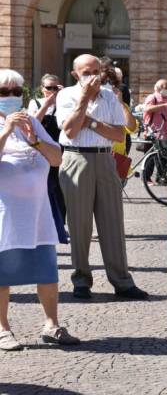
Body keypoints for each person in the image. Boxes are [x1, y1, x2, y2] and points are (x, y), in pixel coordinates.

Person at [56, 54, 148, 301]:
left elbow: (119, 135)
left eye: (97, 71)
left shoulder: (109, 96)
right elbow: (71, 130)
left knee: (113, 222)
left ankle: (121, 280)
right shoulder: (66, 95)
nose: (94, 76)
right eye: (87, 72)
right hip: (76, 159)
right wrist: (84, 99)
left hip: (105, 158)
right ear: (75, 74)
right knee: (79, 223)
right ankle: (81, 279)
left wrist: (92, 123)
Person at [0, 69, 80, 351]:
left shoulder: (33, 121)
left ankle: (51, 324)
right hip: (5, 214)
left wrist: (34, 139)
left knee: (47, 270)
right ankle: (3, 329)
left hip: (38, 212)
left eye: (15, 92)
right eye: (4, 92)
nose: (10, 97)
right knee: (2, 272)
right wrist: (7, 130)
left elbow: (57, 158)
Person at [28, 74, 68, 244]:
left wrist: (63, 98)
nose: (52, 91)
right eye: (48, 88)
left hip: (60, 150)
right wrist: (47, 104)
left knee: (61, 188)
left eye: (55, 88)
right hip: (40, 150)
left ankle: (60, 225)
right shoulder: (35, 103)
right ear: (42, 89)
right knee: (44, 187)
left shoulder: (64, 103)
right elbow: (33, 123)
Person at [143, 79, 167, 185]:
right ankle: (146, 178)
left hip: (165, 132)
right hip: (154, 132)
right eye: (164, 87)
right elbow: (147, 109)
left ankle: (161, 177)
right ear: (158, 87)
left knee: (165, 157)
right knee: (152, 157)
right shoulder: (153, 97)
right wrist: (164, 105)